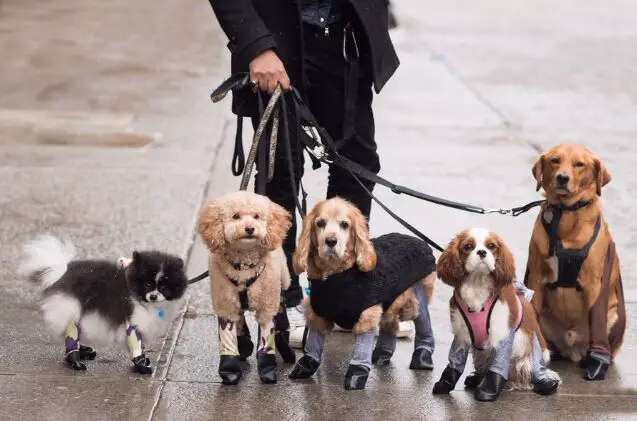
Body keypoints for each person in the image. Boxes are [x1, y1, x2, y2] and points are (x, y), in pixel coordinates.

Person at [208, 0, 403, 348]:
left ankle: (344, 292)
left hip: (346, 38)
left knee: (358, 166)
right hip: (278, 46)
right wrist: (256, 47)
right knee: (280, 171)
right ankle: (284, 299)